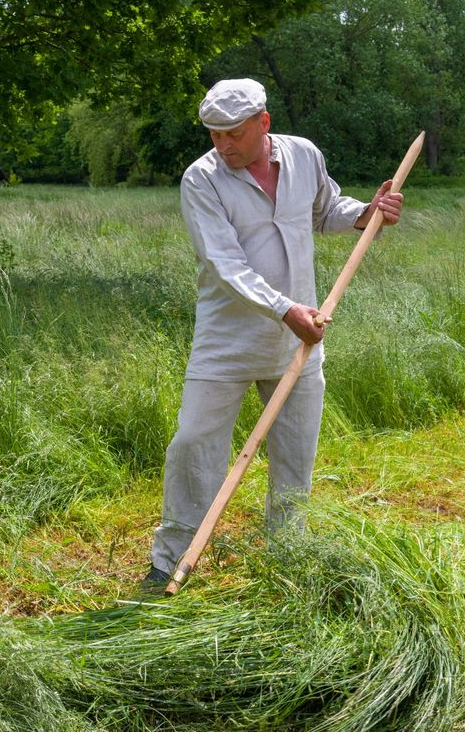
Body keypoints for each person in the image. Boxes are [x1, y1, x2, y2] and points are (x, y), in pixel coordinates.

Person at [143, 78, 404, 589]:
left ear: (264, 123)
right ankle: (171, 559)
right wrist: (284, 308)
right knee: (194, 443)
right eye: (214, 135)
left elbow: (326, 211)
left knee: (295, 453)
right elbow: (225, 264)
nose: (222, 145)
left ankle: (286, 556)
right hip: (228, 340)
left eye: (233, 134)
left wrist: (365, 214)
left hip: (300, 338)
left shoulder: (304, 155)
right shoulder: (202, 179)